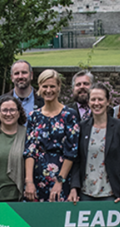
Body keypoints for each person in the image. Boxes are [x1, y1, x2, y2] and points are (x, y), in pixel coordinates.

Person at [67, 83, 120, 202]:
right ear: (88, 102)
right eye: (93, 99)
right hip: (85, 193)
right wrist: (74, 187)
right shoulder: (82, 127)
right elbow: (77, 161)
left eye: (100, 99)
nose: (96, 103)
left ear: (108, 101)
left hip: (112, 194)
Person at [24, 70, 80, 202]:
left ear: (59, 87)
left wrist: (60, 181)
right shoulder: (34, 116)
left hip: (61, 177)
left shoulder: (69, 115)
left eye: (52, 86)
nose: (48, 90)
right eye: (45, 86)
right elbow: (30, 151)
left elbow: (71, 152)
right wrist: (29, 182)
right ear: (39, 88)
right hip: (37, 178)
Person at [0, 95, 28, 202]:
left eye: (12, 110)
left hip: (19, 199)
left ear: (19, 112)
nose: (8, 114)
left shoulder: (27, 134)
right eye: (4, 110)